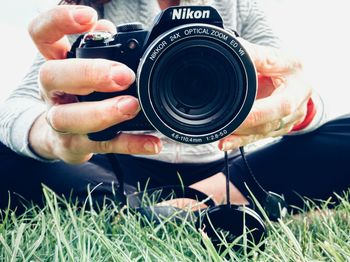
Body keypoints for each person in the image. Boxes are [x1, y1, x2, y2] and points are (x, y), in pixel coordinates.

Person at [1, 0, 346, 215]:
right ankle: (189, 206)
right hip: (123, 164)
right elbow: (15, 109)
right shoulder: (93, 12)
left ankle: (154, 208)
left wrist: (299, 107)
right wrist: (52, 133)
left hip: (227, 161)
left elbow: (295, 80)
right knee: (12, 151)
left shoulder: (241, 6)